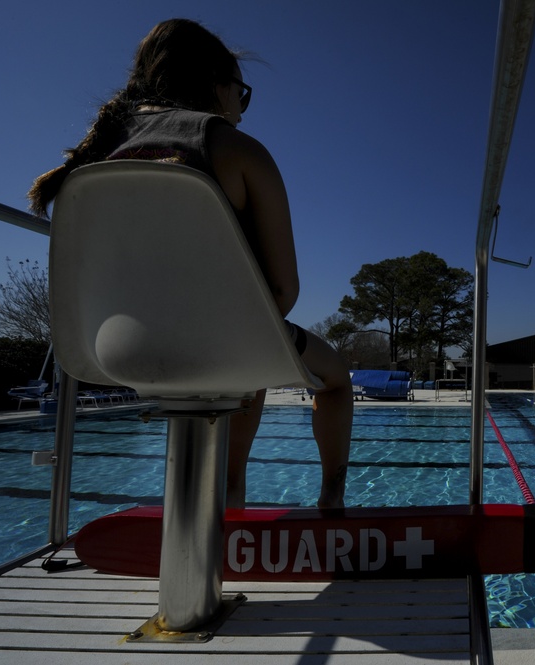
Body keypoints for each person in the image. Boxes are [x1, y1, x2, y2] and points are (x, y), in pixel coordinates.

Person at [28, 18, 352, 510]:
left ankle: (226, 499)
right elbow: (284, 292)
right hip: (228, 345)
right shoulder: (237, 150)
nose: (241, 113)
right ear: (216, 84)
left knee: (247, 354)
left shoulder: (95, 159)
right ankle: (329, 499)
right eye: (240, 94)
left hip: (111, 350)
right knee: (330, 377)